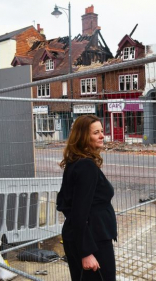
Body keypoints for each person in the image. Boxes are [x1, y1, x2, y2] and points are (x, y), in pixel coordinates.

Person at [57, 115, 117, 281]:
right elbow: (78, 212)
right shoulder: (86, 166)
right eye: (96, 133)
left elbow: (67, 204)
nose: (102, 136)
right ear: (83, 136)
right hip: (92, 240)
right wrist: (86, 252)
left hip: (86, 236)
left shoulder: (76, 162)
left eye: (102, 131)